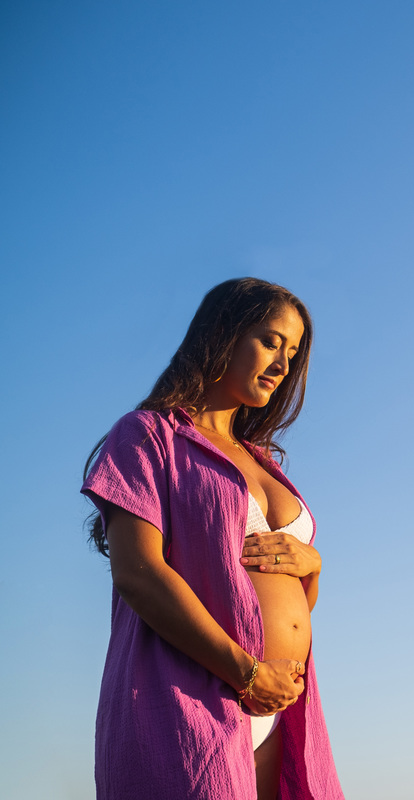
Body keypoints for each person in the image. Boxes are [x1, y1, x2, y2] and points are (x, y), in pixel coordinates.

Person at [82, 278, 343, 799]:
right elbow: (138, 573)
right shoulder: (148, 435)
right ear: (222, 333)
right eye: (271, 341)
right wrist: (246, 674)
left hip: (285, 708)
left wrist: (313, 567)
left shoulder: (265, 461)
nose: (283, 364)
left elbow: (282, 597)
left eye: (293, 353)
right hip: (185, 700)